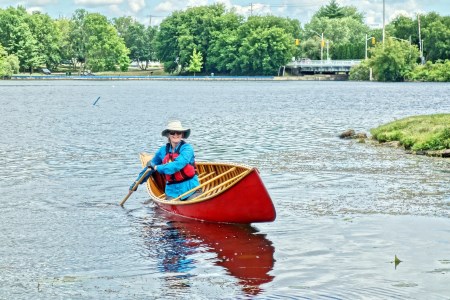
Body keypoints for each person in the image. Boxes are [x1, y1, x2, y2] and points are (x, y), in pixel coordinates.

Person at [130, 120, 201, 200]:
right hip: (172, 192)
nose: (175, 135)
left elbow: (177, 165)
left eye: (178, 132)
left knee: (192, 201)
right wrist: (137, 182)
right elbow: (149, 167)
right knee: (173, 204)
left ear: (182, 134)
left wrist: (157, 167)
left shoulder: (187, 149)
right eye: (172, 132)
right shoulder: (162, 151)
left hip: (191, 189)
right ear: (168, 135)